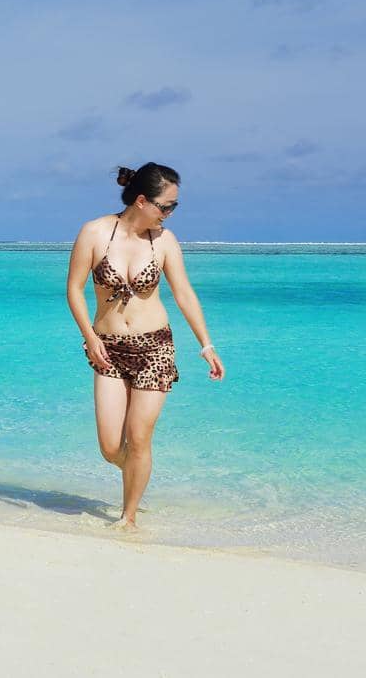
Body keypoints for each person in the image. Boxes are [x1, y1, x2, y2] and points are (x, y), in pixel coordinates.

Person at [65, 163, 225, 530]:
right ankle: (136, 471)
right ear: (141, 201)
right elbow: (74, 289)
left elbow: (184, 294)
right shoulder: (94, 232)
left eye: (174, 207)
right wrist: (89, 338)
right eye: (166, 207)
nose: (169, 214)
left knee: (139, 438)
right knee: (110, 447)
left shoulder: (164, 241)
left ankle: (128, 516)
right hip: (107, 347)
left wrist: (206, 345)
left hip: (155, 348)